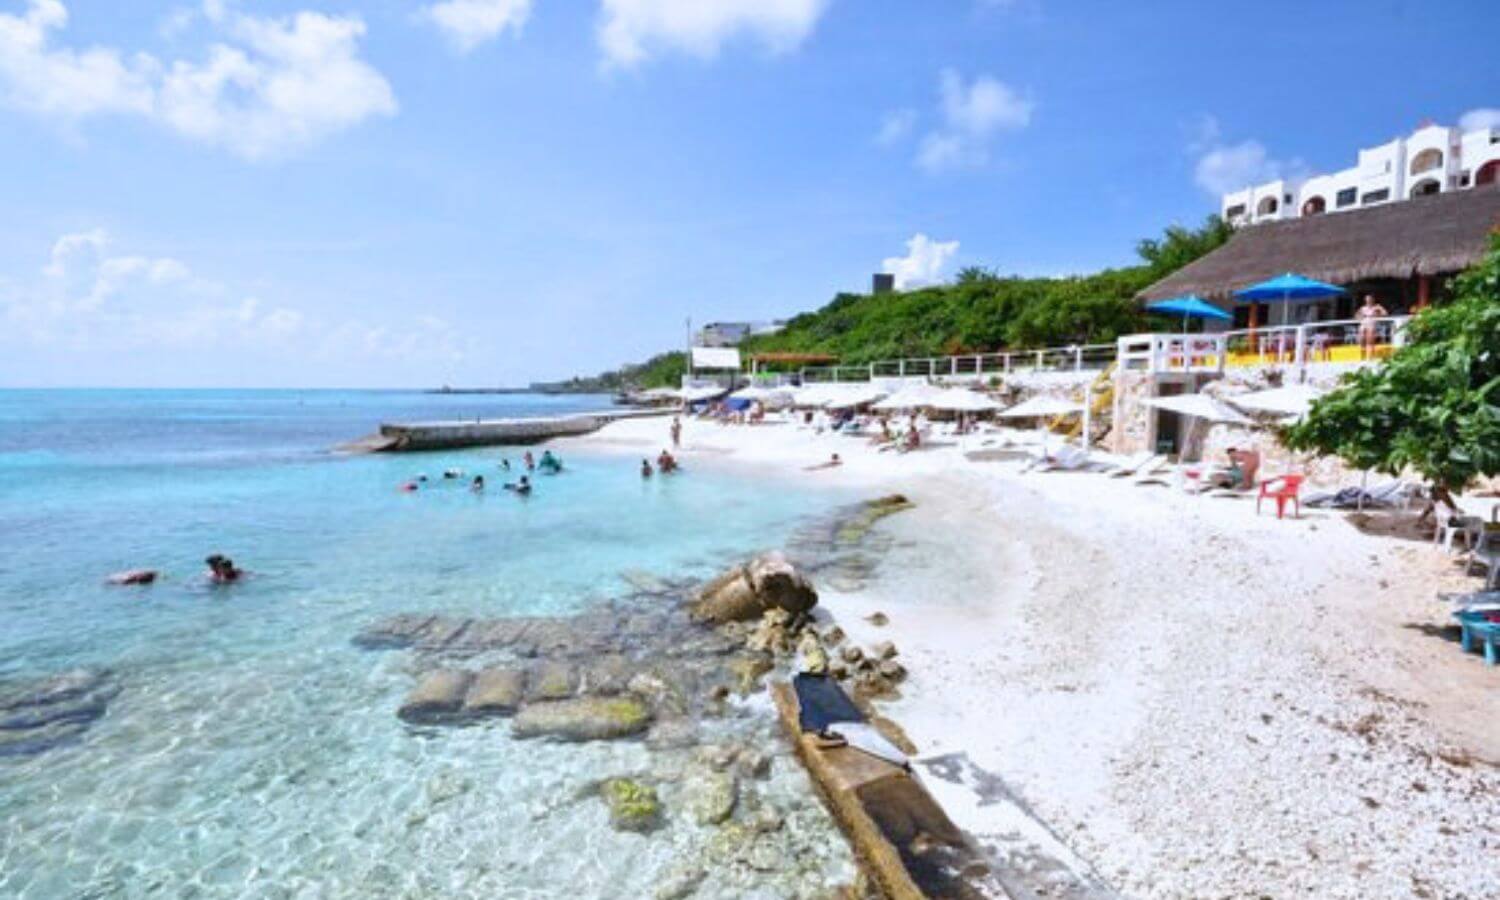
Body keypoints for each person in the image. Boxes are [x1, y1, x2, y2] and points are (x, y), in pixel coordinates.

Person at [1355, 294, 1388, 361]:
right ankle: (1363, 357)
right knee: (1361, 340)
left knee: (1369, 341)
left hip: (1371, 323)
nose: (1368, 301)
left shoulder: (1376, 307)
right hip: (1364, 323)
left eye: (1369, 299)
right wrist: (1360, 317)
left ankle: (1370, 357)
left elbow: (1385, 314)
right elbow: (1356, 316)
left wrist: (1380, 310)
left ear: (1372, 300)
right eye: (1367, 299)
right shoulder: (1363, 308)